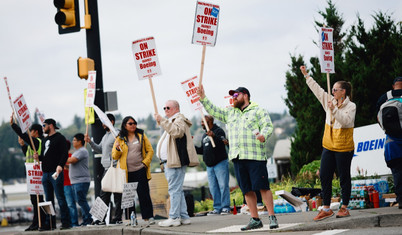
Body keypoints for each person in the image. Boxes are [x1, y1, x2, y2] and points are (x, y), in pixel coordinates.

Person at [197, 85, 278, 231]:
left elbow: (268, 125)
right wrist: (203, 98)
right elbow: (214, 110)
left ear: (245, 95)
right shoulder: (230, 113)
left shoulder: (258, 110)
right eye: (232, 96)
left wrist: (263, 135)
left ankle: (272, 217)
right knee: (246, 190)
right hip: (237, 156)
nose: (233, 98)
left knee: (263, 187)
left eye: (236, 95)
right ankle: (255, 219)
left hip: (255, 155)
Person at [300, 66, 356, 220]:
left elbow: (346, 122)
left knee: (344, 176)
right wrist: (306, 76)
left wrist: (334, 110)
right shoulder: (329, 101)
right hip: (328, 145)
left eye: (335, 89)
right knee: (324, 175)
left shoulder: (351, 106)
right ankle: (326, 207)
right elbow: (318, 90)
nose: (332, 92)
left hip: (344, 147)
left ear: (343, 91)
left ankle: (344, 206)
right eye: (332, 89)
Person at [154, 100, 199, 227]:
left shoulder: (179, 119)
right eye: (164, 107)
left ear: (176, 108)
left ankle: (174, 217)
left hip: (174, 161)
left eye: (168, 107)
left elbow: (177, 132)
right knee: (177, 190)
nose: (165, 110)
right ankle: (184, 216)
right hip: (170, 161)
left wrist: (162, 120)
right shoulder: (173, 120)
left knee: (174, 189)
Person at [112, 116, 155, 224]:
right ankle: (132, 218)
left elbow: (150, 150)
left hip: (140, 170)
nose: (133, 125)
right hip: (126, 172)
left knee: (144, 194)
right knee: (129, 197)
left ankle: (148, 216)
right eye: (130, 123)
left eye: (135, 123)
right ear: (125, 125)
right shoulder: (119, 138)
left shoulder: (141, 135)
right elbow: (114, 156)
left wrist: (145, 162)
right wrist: (117, 149)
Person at [85, 114, 123, 224]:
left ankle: (117, 218)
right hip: (106, 168)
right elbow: (100, 149)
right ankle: (100, 218)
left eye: (104, 122)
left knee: (115, 194)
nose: (102, 124)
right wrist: (90, 142)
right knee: (104, 195)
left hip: (115, 168)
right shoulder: (105, 136)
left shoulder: (117, 133)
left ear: (111, 121)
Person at [33, 118, 71, 230]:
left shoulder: (60, 138)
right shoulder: (45, 140)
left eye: (44, 125)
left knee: (60, 198)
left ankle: (65, 222)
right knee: (48, 200)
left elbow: (64, 154)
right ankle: (50, 223)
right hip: (45, 173)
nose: (43, 127)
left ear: (51, 125)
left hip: (55, 172)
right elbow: (45, 156)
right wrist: (38, 157)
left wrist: (60, 165)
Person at [10, 116, 46, 231]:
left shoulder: (37, 141)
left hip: (37, 174)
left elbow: (26, 136)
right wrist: (23, 146)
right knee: (34, 200)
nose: (30, 133)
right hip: (32, 175)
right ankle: (37, 222)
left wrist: (14, 126)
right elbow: (28, 154)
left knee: (38, 200)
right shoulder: (32, 144)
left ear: (35, 132)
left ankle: (39, 222)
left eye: (31, 131)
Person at [195, 115, 231, 215]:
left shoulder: (219, 131)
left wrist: (214, 136)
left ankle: (225, 207)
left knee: (223, 185)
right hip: (209, 166)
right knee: (213, 187)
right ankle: (217, 208)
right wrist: (192, 147)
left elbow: (223, 143)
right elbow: (202, 150)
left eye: (203, 122)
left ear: (209, 122)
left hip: (220, 163)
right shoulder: (204, 135)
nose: (201, 124)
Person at [376, 76, 402, 209]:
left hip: (391, 143)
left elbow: (378, 118)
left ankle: (401, 200)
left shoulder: (384, 98)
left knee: (397, 172)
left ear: (393, 86)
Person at [66, 133, 92, 226]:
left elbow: (72, 160)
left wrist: (60, 157)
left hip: (81, 181)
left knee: (81, 200)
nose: (73, 142)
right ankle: (86, 219)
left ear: (80, 141)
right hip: (76, 181)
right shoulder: (76, 152)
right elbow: (70, 165)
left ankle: (88, 219)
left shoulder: (82, 151)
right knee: (80, 201)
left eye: (74, 140)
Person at [63, 140, 79, 227]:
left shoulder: (70, 157)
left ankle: (74, 223)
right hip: (62, 184)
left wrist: (62, 164)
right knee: (66, 205)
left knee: (71, 204)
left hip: (69, 183)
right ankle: (68, 222)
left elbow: (71, 168)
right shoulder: (61, 157)